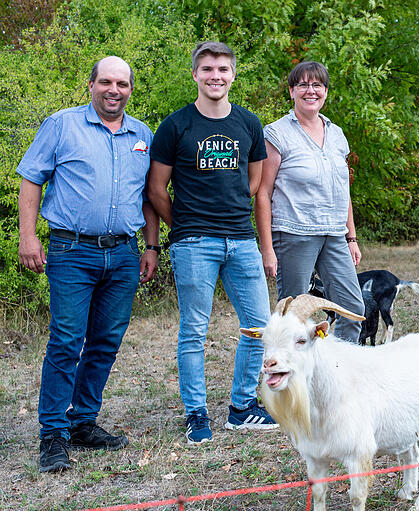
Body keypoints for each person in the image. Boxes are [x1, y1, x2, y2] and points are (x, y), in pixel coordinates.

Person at [16, 56, 160, 473]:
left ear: (131, 89)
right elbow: (31, 179)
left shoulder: (141, 134)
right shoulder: (61, 125)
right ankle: (53, 435)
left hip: (123, 253)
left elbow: (148, 196)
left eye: (123, 84)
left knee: (106, 341)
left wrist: (151, 246)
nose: (114, 90)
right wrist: (28, 237)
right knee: (65, 341)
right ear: (92, 84)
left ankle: (83, 422)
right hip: (71, 251)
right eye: (106, 82)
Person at [148, 41, 277, 445]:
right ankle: (196, 413)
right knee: (194, 331)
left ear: (233, 75)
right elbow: (155, 188)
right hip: (193, 243)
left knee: (259, 326)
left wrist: (233, 218)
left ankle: (241, 408)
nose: (215, 76)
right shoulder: (176, 125)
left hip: (241, 240)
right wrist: (184, 224)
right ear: (195, 75)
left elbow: (255, 183)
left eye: (222, 69)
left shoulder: (248, 124)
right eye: (207, 69)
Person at [256, 61, 365, 342]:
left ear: (326, 91)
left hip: (334, 235)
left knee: (353, 309)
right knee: (292, 315)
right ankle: (289, 378)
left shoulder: (337, 134)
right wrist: (267, 248)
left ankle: (337, 375)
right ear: (291, 91)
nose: (310, 91)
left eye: (317, 85)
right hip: (294, 234)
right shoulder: (277, 133)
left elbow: (343, 191)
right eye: (302, 85)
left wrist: (351, 237)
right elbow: (263, 194)